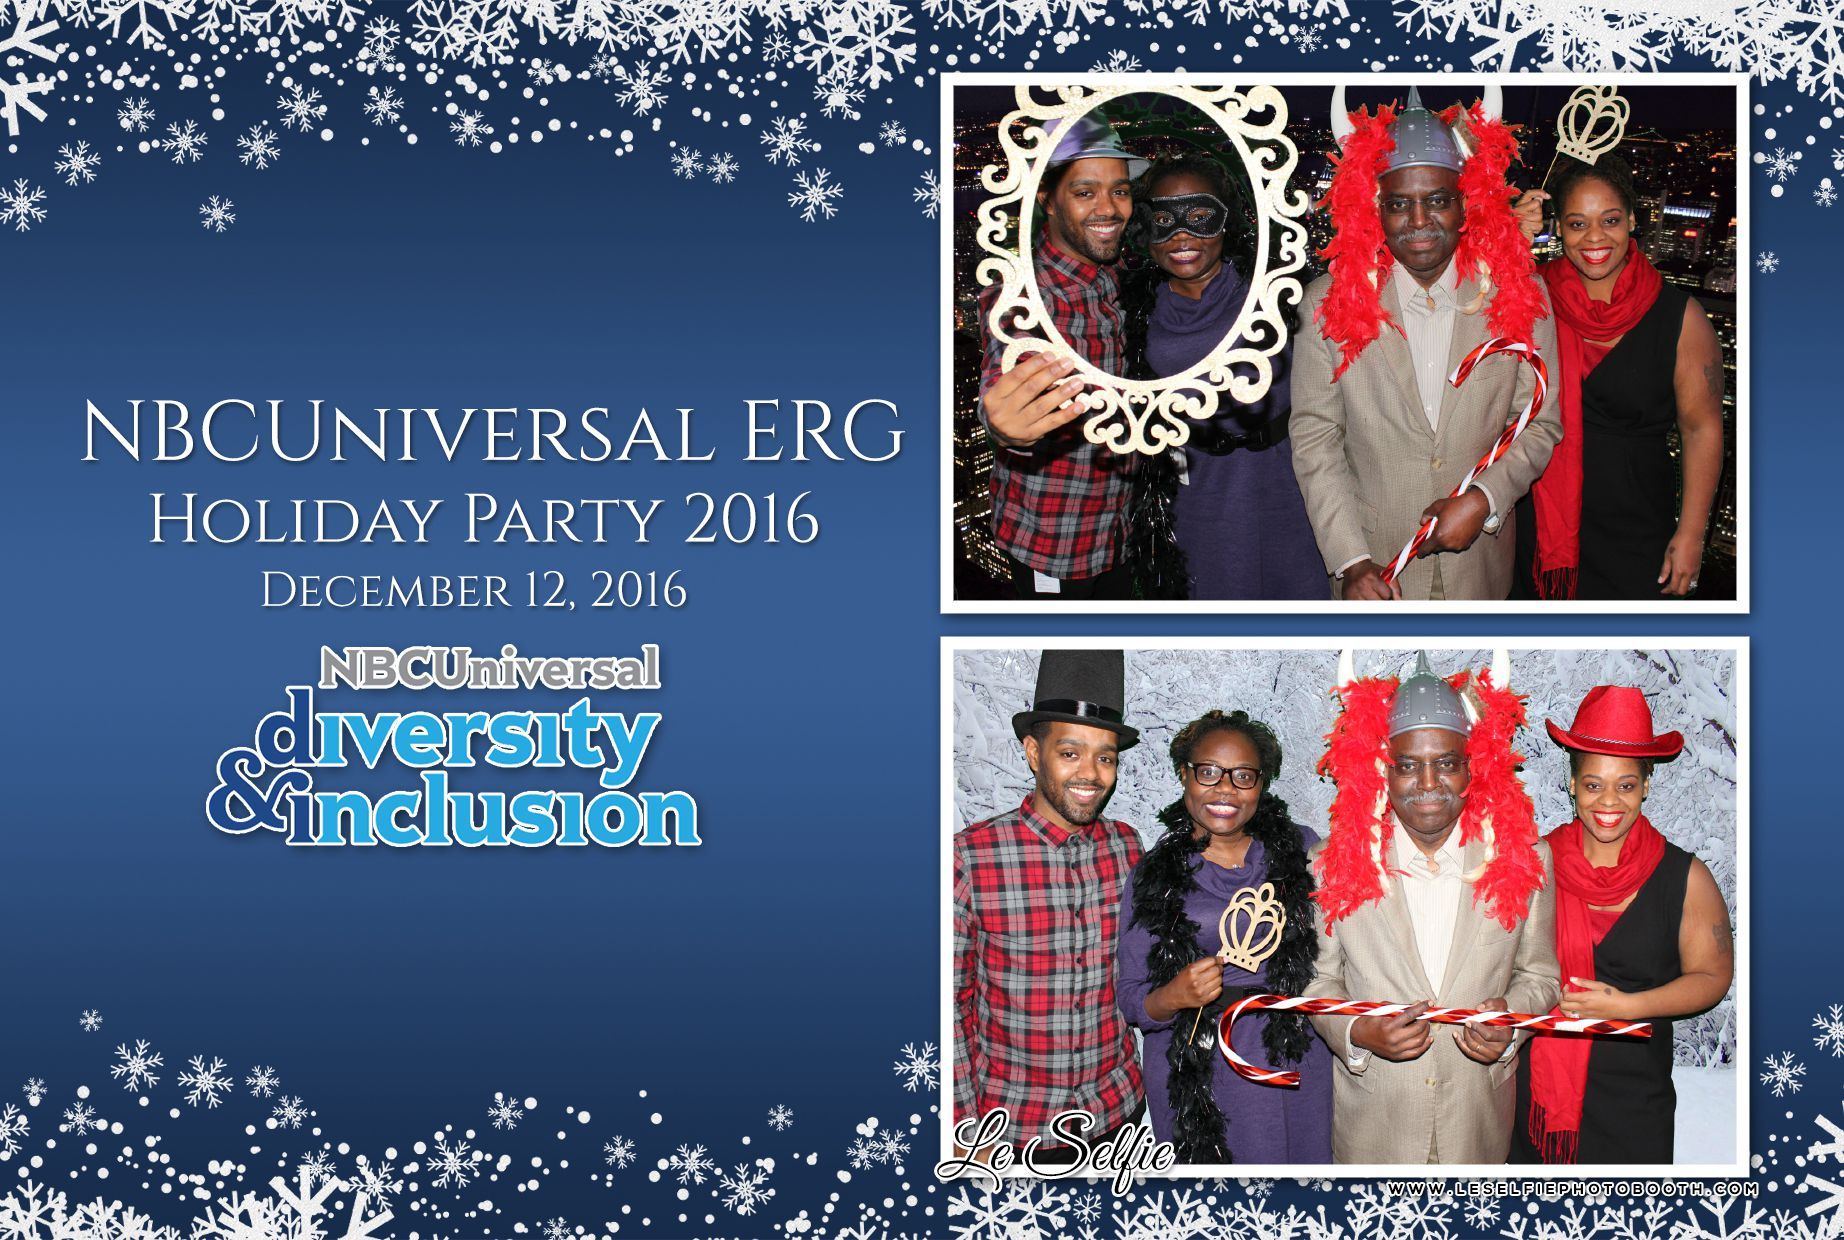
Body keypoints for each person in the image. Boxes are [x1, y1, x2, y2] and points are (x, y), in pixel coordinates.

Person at [1290, 87, 1561, 601]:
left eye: (1437, 200)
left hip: (1481, 572)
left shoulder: (1519, 292)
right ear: (1376, 209)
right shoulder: (1326, 304)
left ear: (1465, 204)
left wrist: (1484, 498)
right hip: (1374, 568)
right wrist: (1351, 559)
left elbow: (1540, 422)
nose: (1418, 222)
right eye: (1399, 204)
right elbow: (1315, 438)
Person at [1305, 652, 1560, 1163]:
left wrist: (1512, 1020)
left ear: (1472, 766)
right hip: (1376, 1129)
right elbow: (1318, 981)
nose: (1427, 783)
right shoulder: (1331, 864)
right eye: (1407, 766)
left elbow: (1540, 975)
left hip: (1478, 1126)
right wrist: (1358, 1031)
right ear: (1383, 769)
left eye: (1446, 763)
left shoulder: (1525, 857)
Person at [1513, 686, 1734, 1164]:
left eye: (1626, 785)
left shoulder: (1685, 877)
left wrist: (1629, 1006)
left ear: (1647, 785)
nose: (1608, 801)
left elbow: (1713, 976)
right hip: (1534, 1109)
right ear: (1572, 784)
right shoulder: (1533, 865)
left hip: (1634, 1111)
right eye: (1593, 785)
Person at [1115, 709, 1332, 1163]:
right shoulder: (1154, 875)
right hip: (1205, 1068)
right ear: (1185, 774)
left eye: (1243, 776)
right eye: (1209, 772)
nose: (1226, 789)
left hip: (1295, 1055)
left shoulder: (1303, 849)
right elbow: (1133, 999)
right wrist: (1173, 996)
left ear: (1262, 784)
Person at [952, 649, 1146, 1159]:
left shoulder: (1129, 848)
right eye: (1070, 752)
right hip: (1015, 1131)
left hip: (1119, 1116)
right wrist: (963, 1130)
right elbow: (946, 1007)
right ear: (1034, 753)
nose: (1091, 774)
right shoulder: (970, 858)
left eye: (1105, 757)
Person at [1510, 156, 1726, 599]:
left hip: (1635, 527)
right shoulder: (1530, 297)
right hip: (1539, 519)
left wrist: (1691, 535)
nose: (1594, 237)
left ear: (1631, 220)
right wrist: (1508, 243)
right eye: (1577, 223)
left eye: (1609, 220)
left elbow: (1701, 429)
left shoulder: (1680, 317)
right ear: (1559, 229)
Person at [1119, 154, 1323, 600]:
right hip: (1196, 499)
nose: (1182, 234)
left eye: (1199, 217)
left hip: (1287, 489)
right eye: (1163, 220)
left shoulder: (1279, 296)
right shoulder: (1132, 314)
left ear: (1227, 221)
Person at [977, 116, 1149, 601]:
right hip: (1055, 546)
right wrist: (1005, 425)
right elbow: (1003, 375)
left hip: (1120, 532)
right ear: (1047, 200)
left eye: (1119, 191)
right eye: (1085, 192)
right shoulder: (1024, 296)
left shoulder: (1115, 272)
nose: (1108, 208)